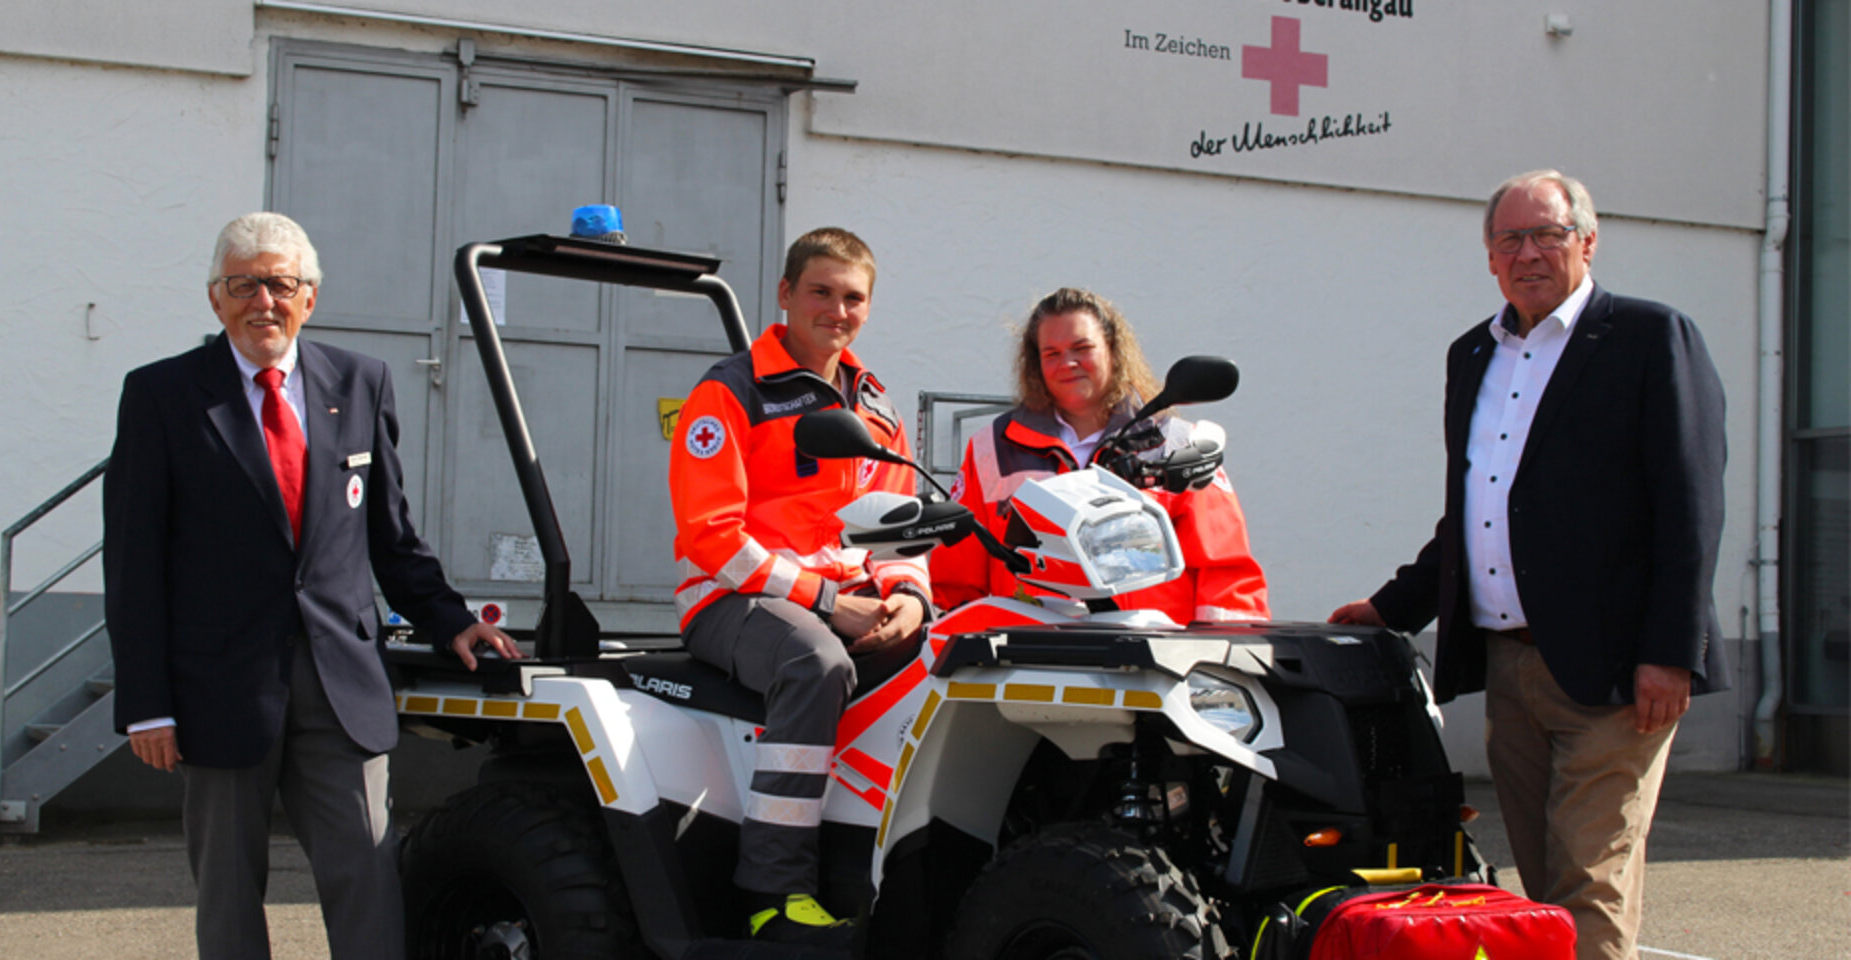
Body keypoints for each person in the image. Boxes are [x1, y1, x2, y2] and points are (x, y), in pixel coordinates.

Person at [1328, 170, 1728, 960]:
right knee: (1541, 895)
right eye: (1509, 239)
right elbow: (1480, 510)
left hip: (1616, 674)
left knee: (1589, 880)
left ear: (1588, 240)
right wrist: (1394, 606)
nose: (1528, 253)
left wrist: (1671, 652)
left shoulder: (1650, 338)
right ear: (1489, 257)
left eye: (1547, 234)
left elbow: (1691, 504)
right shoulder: (1473, 353)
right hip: (1510, 671)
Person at [104, 212, 519, 960]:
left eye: (280, 284)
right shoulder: (162, 395)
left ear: (310, 298)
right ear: (215, 299)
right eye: (244, 284)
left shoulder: (360, 382)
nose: (263, 300)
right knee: (229, 891)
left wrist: (450, 618)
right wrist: (145, 704)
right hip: (215, 688)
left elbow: (390, 534)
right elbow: (134, 562)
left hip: (340, 680)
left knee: (366, 873)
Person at [667, 227, 932, 946]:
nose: (836, 310)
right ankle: (773, 892)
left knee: (959, 650)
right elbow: (711, 536)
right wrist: (826, 602)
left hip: (840, 601)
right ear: (785, 296)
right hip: (729, 598)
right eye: (820, 292)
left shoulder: (875, 405)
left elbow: (902, 527)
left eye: (852, 298)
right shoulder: (730, 391)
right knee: (815, 663)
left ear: (869, 308)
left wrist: (910, 598)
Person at [930, 287, 1270, 623]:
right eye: (1052, 353)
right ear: (1035, 364)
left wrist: (1218, 667)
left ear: (1113, 351)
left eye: (1082, 348)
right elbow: (957, 584)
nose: (1068, 363)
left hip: (1153, 664)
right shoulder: (992, 448)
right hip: (1029, 664)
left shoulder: (1177, 444)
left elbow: (1225, 579)